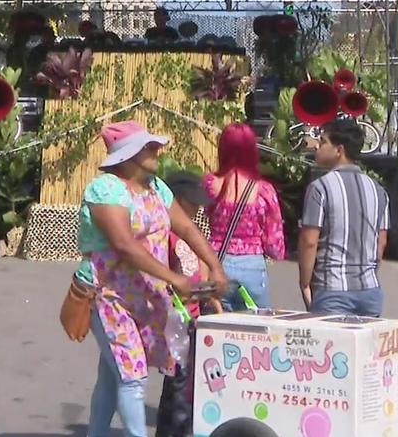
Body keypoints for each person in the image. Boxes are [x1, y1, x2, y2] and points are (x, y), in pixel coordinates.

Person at [79, 121, 227, 437]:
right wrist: (174, 277)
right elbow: (124, 245)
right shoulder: (106, 189)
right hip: (111, 297)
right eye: (148, 147)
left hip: (145, 295)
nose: (157, 150)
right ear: (128, 155)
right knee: (132, 377)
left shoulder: (157, 188)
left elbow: (185, 228)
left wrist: (214, 266)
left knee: (112, 373)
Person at [298, 118, 390, 317]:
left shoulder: (320, 188)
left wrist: (305, 282)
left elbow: (309, 241)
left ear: (339, 150)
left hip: (332, 289)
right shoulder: (378, 190)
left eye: (323, 142)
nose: (317, 146)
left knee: (331, 348)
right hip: (370, 291)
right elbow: (380, 242)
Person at [156, 170, 215, 437]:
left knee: (183, 383)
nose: (198, 207)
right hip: (175, 319)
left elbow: (198, 269)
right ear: (177, 199)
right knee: (179, 384)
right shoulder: (165, 234)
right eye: (193, 201)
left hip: (192, 316)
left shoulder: (188, 233)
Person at [204, 123, 284, 310]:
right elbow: (274, 243)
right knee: (254, 330)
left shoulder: (209, 183)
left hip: (215, 262)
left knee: (216, 326)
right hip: (251, 264)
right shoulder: (264, 190)